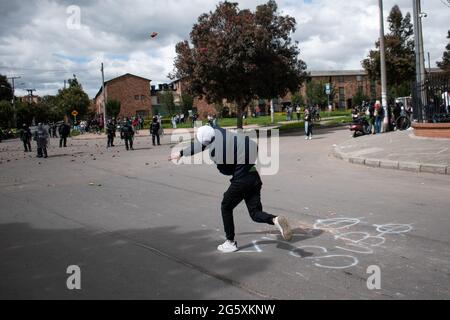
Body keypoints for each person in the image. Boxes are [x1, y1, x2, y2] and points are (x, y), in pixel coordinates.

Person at [168, 125, 293, 253]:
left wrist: (233, 164)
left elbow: (225, 170)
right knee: (255, 213)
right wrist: (181, 153)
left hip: (241, 181)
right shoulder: (222, 132)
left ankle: (230, 242)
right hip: (254, 176)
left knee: (226, 206)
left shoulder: (216, 152)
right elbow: (202, 144)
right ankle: (275, 220)